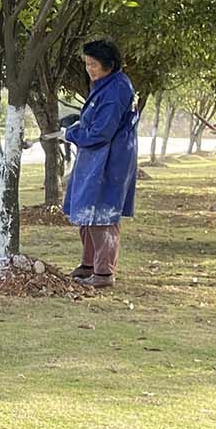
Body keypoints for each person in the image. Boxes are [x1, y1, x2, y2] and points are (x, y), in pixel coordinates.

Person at [53, 39, 139, 288]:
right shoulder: (105, 84)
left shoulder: (116, 91)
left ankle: (103, 273)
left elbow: (101, 132)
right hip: (94, 158)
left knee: (101, 214)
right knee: (85, 211)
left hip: (109, 159)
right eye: (87, 63)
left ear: (109, 64)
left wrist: (71, 134)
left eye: (93, 64)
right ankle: (88, 264)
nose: (89, 69)